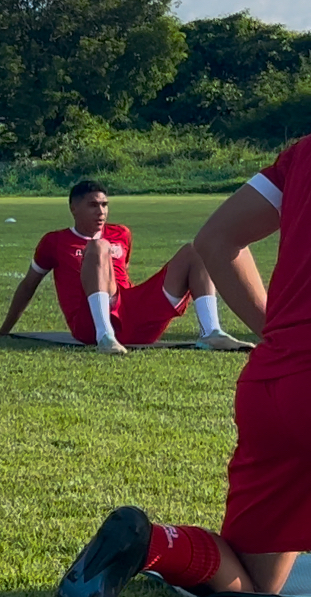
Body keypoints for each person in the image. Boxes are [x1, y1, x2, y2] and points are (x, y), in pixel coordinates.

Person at [54, 140, 305, 597]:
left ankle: (148, 544)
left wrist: (283, 334)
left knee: (255, 585)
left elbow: (214, 240)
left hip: (273, 379)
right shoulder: (72, 243)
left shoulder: (304, 153)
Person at [0, 180, 252, 355]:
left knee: (196, 249)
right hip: (89, 323)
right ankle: (104, 336)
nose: (101, 211)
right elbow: (29, 284)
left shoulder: (122, 233)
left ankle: (211, 332)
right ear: (74, 208)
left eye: (105, 205)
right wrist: (5, 330)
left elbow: (122, 273)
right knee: (98, 248)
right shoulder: (54, 241)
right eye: (93, 205)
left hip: (131, 312)